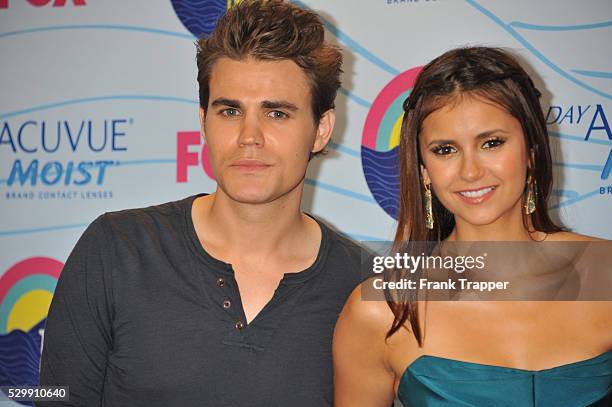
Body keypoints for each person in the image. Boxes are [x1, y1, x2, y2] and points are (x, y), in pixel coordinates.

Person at [39, 1, 363, 406]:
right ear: (203, 122)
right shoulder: (115, 249)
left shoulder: (363, 286)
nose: (249, 136)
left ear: (321, 130)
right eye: (229, 111)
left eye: (277, 113)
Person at [333, 47, 612, 406]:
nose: (470, 171)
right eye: (445, 150)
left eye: (491, 143)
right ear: (423, 170)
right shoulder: (382, 310)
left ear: (531, 150)